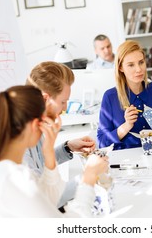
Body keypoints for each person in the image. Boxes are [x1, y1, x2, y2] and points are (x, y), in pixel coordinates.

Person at [0, 85, 108, 217]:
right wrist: (89, 176)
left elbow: (48, 198)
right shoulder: (16, 179)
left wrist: (49, 154)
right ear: (36, 125)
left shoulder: (3, 168)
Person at [25, 61, 103, 209]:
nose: (65, 108)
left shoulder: (34, 124)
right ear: (44, 99)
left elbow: (40, 163)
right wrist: (88, 177)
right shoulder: (18, 138)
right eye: (63, 101)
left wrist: (67, 147)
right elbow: (44, 198)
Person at [97, 40, 152, 150]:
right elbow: (102, 143)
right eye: (131, 65)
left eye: (141, 62)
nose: (138, 69)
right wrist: (126, 126)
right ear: (120, 68)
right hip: (126, 161)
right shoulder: (110, 97)